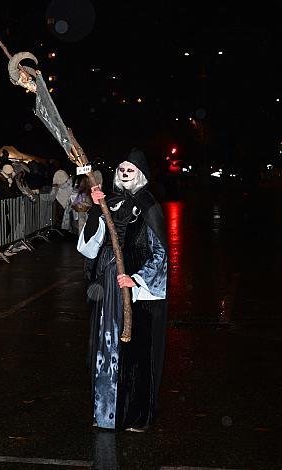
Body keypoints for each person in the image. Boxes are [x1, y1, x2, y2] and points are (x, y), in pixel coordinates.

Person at [77, 148, 168, 432]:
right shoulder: (110, 203)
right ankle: (106, 412)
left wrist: (137, 280)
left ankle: (136, 414)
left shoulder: (150, 206)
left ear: (141, 174)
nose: (125, 172)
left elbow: (160, 254)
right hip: (108, 285)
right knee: (105, 347)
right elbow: (89, 246)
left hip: (136, 293)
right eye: (122, 168)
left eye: (131, 169)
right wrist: (95, 210)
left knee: (136, 351)